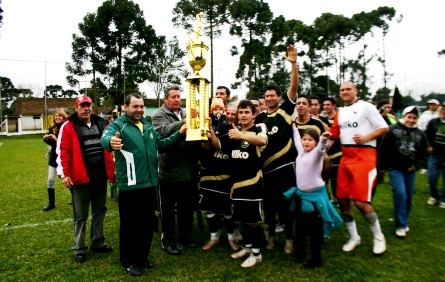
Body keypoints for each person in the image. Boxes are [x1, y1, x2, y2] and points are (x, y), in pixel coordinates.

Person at [101, 94, 188, 276]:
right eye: (135, 106)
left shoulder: (147, 126)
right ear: (126, 107)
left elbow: (162, 145)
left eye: (141, 106)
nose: (139, 110)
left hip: (150, 183)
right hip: (130, 186)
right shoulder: (119, 125)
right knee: (129, 226)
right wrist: (110, 142)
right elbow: (106, 136)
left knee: (147, 224)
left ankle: (141, 258)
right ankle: (128, 261)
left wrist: (179, 134)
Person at [330, 81, 389, 255]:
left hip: (365, 159)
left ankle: (378, 237)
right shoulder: (340, 113)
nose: (345, 92)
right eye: (342, 90)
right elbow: (333, 134)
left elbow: (384, 127)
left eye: (348, 89)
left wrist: (366, 137)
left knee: (361, 202)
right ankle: (354, 236)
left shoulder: (366, 107)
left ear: (356, 90)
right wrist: (323, 141)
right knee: (342, 200)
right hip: (346, 159)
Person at [57, 95, 115, 263]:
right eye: (82, 106)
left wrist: (112, 170)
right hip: (80, 178)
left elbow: (110, 147)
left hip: (100, 177)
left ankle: (98, 242)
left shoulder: (101, 123)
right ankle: (79, 247)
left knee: (100, 210)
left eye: (88, 105)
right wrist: (64, 174)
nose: (86, 109)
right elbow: (62, 152)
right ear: (76, 108)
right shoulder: (68, 126)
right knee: (81, 214)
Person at [254, 44, 298, 254]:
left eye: (273, 95)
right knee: (269, 208)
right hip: (266, 172)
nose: (270, 98)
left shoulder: (286, 112)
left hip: (285, 170)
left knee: (286, 207)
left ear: (279, 97)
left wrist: (294, 65)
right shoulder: (260, 118)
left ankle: (289, 238)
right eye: (267, 96)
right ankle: (270, 237)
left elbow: (294, 89)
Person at [152, 85, 200, 255]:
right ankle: (168, 240)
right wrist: (183, 123)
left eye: (179, 96)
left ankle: (185, 236)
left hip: (187, 170)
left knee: (187, 207)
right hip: (169, 172)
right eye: (173, 97)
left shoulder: (186, 112)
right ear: (166, 99)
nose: (177, 99)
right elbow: (162, 132)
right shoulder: (159, 115)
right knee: (167, 209)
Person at [286, 126, 342, 268]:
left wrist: (324, 139)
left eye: (310, 140)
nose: (306, 142)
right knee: (300, 228)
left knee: (314, 231)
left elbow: (322, 148)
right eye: (305, 139)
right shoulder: (300, 152)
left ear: (315, 142)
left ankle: (316, 258)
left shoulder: (317, 155)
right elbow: (296, 138)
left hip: (315, 199)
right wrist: (293, 125)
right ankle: (300, 252)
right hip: (301, 197)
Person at [378, 106, 429, 238]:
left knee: (409, 195)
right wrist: (382, 168)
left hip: (410, 169)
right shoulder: (392, 130)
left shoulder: (420, 134)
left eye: (414, 118)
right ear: (404, 116)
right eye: (409, 117)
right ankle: (400, 225)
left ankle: (404, 219)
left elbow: (424, 153)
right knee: (400, 193)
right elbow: (383, 149)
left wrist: (415, 166)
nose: (411, 120)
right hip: (395, 168)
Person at [228, 100, 267, 268]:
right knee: (243, 219)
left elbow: (263, 141)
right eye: (241, 112)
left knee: (253, 221)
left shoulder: (259, 128)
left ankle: (257, 254)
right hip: (237, 185)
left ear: (253, 114)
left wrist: (241, 136)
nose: (243, 115)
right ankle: (247, 247)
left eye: (246, 112)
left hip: (253, 183)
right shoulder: (234, 131)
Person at [199, 105, 241, 252]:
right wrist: (206, 133)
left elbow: (217, 145)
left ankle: (231, 238)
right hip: (209, 175)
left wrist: (209, 129)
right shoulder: (219, 127)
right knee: (210, 209)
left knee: (227, 211)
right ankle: (213, 237)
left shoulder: (239, 132)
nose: (230, 116)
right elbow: (206, 147)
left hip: (226, 178)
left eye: (233, 114)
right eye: (228, 113)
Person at [42, 109, 68, 211]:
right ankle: (51, 203)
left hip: (64, 158)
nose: (57, 118)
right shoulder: (52, 128)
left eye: (59, 116)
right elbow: (53, 145)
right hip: (53, 158)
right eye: (56, 116)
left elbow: (65, 145)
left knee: (67, 179)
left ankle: (75, 199)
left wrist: (56, 139)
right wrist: (46, 139)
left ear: (64, 117)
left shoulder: (66, 128)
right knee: (50, 180)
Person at [425, 104, 445, 208]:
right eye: (443, 109)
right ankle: (434, 195)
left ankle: (443, 199)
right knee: (431, 177)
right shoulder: (434, 122)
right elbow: (426, 135)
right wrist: (428, 146)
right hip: (435, 154)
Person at [323, 97, 342, 204]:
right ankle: (328, 197)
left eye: (328, 105)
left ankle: (337, 197)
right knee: (325, 178)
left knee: (336, 178)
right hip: (326, 155)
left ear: (334, 106)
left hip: (337, 153)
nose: (326, 107)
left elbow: (335, 134)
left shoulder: (338, 118)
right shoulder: (323, 118)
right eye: (324, 105)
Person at [418, 99, 440, 174]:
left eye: (434, 105)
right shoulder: (425, 114)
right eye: (431, 105)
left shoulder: (439, 114)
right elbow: (420, 124)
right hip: (425, 133)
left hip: (436, 134)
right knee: (426, 150)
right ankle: (426, 166)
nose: (432, 106)